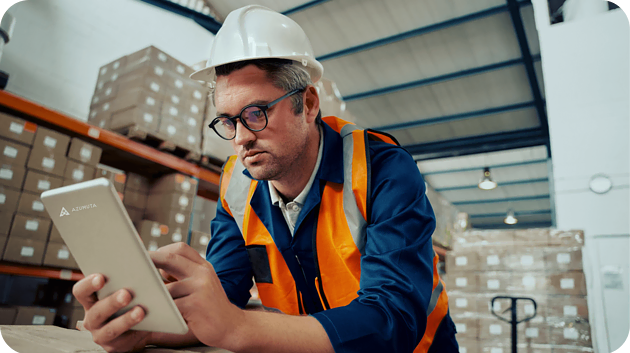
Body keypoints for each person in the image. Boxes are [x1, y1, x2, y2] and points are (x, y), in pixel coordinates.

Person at [72, 5, 458, 353]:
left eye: (256, 113)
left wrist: (239, 328)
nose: (240, 138)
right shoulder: (236, 185)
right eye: (227, 121)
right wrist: (148, 328)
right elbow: (223, 300)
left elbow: (395, 321)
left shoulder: (382, 170)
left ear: (307, 104)